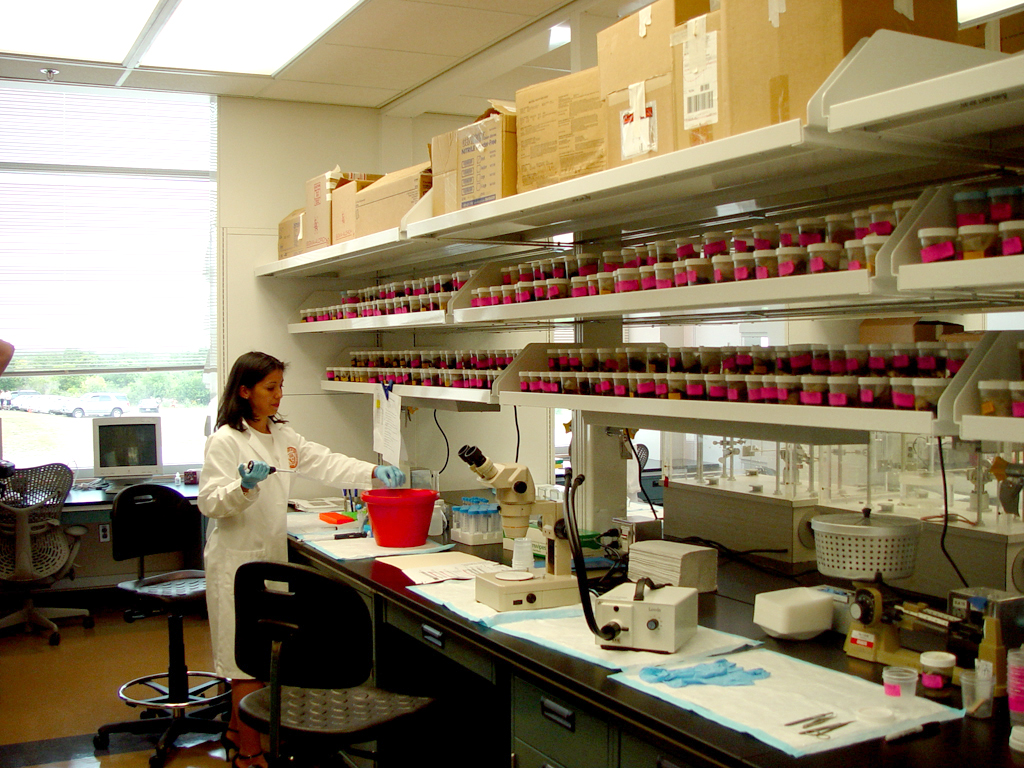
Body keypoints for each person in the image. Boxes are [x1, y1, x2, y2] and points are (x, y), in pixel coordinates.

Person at [198, 351, 405, 768]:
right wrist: (243, 486)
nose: (278, 396)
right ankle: (250, 755)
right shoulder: (225, 440)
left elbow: (323, 461)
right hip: (235, 565)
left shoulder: (282, 434)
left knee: (259, 656)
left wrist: (371, 472)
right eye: (270, 388)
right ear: (245, 391)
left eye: (280, 387)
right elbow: (209, 503)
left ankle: (239, 732)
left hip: (268, 558)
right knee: (244, 665)